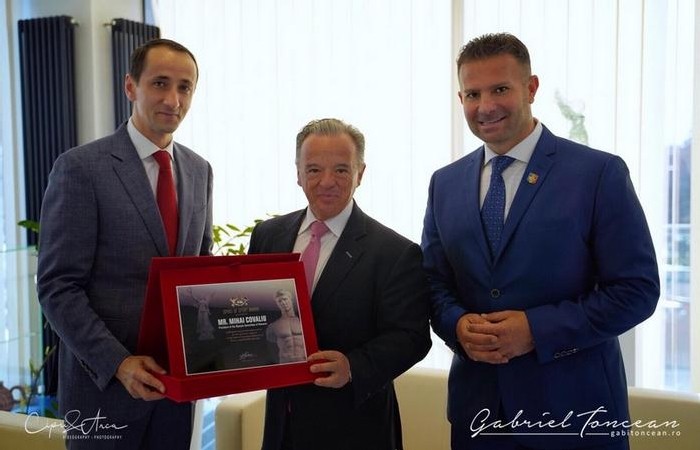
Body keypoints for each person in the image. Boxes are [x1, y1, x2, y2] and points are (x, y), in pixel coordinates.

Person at [421, 33, 659, 450]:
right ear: (461, 98)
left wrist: (536, 330)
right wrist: (457, 324)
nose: (485, 106)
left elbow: (636, 291)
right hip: (478, 417)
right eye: (473, 94)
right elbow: (432, 282)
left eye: (500, 89)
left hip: (576, 418)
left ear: (531, 88)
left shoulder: (598, 174)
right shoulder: (445, 183)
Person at [37, 38, 212, 449]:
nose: (173, 100)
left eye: (184, 87)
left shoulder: (200, 170)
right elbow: (58, 287)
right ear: (131, 86)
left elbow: (199, 267)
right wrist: (118, 363)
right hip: (103, 393)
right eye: (160, 83)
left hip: (174, 394)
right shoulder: (80, 168)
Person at [248, 118, 432, 450]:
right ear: (298, 173)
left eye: (341, 170)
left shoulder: (394, 252)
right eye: (314, 169)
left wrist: (353, 367)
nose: (327, 182)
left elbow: (413, 337)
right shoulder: (268, 236)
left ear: (360, 173)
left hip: (355, 427)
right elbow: (253, 313)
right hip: (281, 425)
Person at [266, 289, 306, 363]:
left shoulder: (303, 321)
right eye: (279, 301)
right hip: (285, 362)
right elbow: (271, 351)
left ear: (291, 300)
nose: (283, 303)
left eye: (285, 299)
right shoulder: (273, 326)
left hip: (304, 361)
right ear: (277, 304)